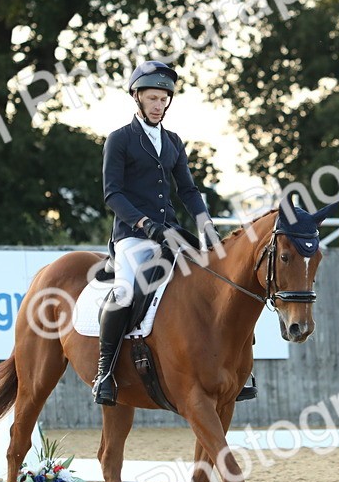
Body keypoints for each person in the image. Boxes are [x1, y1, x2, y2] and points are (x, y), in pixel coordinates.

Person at [95, 60, 253, 406]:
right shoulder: (120, 140)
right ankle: (105, 372)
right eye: (152, 98)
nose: (158, 105)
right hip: (133, 235)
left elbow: (188, 189)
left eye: (163, 99)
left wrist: (205, 223)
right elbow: (113, 194)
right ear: (137, 98)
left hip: (171, 233)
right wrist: (143, 224)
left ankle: (238, 370)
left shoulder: (173, 141)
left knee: (218, 281)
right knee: (125, 292)